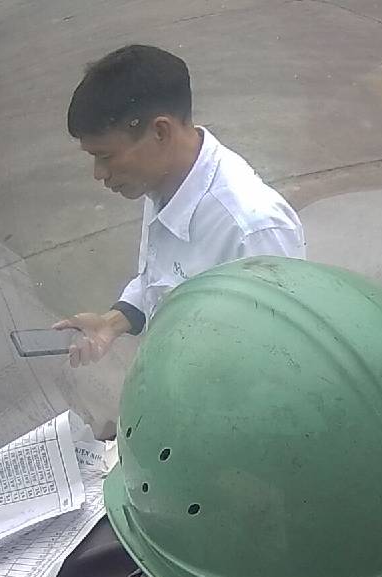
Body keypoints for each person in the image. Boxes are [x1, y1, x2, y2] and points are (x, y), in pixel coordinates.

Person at [53, 45, 306, 367]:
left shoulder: (253, 229)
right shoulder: (164, 183)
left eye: (105, 156)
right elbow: (160, 281)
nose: (98, 173)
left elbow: (282, 361)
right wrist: (112, 323)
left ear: (160, 131)